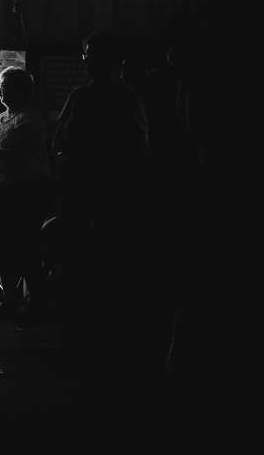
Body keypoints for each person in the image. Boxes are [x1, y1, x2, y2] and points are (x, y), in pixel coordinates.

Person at [51, 30, 150, 341]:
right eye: (85, 56)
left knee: (109, 259)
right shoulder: (79, 97)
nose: (86, 62)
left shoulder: (126, 99)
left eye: (91, 56)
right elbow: (57, 140)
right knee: (75, 257)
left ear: (112, 60)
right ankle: (78, 321)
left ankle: (105, 325)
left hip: (110, 195)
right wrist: (63, 160)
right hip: (77, 191)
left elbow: (139, 152)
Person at [0, 66, 51, 318]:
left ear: (24, 91)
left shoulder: (31, 118)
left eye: (8, 86)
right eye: (1, 85)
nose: (2, 90)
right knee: (4, 245)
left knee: (26, 244)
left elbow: (20, 154)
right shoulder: (0, 119)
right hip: (3, 190)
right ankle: (10, 301)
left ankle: (36, 302)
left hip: (28, 189)